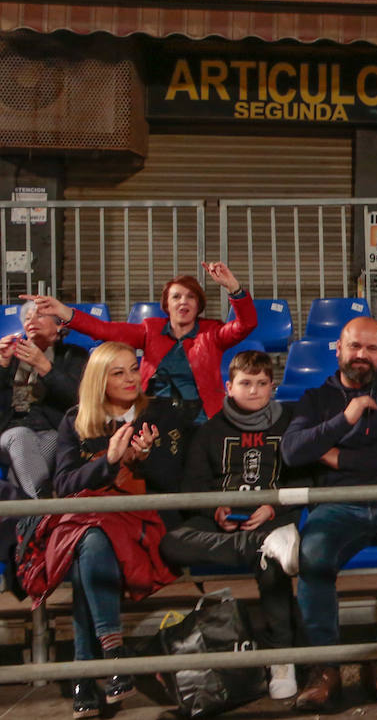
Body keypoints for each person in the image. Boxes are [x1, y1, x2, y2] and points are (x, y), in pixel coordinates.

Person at [20, 342, 189, 719]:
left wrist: (144, 460)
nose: (131, 379)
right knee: (92, 538)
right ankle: (112, 655)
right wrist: (109, 461)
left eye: (133, 369)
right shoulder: (75, 419)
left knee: (89, 547)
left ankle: (87, 668)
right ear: (99, 379)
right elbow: (65, 484)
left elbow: (174, 483)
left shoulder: (162, 414)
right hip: (90, 523)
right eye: (119, 373)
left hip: (145, 522)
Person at [282, 317, 377, 711]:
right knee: (313, 560)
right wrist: (346, 417)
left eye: (372, 349)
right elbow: (292, 451)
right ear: (338, 348)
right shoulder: (315, 399)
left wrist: (334, 454)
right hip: (337, 503)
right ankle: (324, 669)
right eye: (355, 346)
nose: (362, 355)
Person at [159, 350, 303, 700]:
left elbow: (305, 478)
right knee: (171, 544)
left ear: (273, 387)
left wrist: (271, 508)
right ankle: (260, 547)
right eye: (245, 383)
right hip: (226, 527)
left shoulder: (290, 424)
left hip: (273, 520)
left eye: (261, 383)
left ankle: (282, 660)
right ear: (229, 386)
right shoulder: (210, 430)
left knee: (272, 569)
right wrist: (215, 510)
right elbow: (193, 486)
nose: (253, 390)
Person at [22, 262, 257, 420]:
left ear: (199, 305)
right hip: (152, 416)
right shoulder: (150, 330)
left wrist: (233, 288)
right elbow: (103, 329)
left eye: (190, 297)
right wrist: (63, 312)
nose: (183, 302)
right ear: (167, 304)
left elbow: (247, 324)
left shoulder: (212, 333)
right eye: (176, 297)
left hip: (201, 418)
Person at [0, 300, 89, 498]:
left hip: (51, 431)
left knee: (33, 458)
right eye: (28, 317)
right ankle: (46, 506)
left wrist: (45, 368)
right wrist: (3, 365)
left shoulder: (75, 356)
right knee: (21, 436)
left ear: (58, 325)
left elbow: (80, 400)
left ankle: (31, 516)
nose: (31, 320)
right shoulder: (10, 355)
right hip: (8, 432)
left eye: (39, 315)